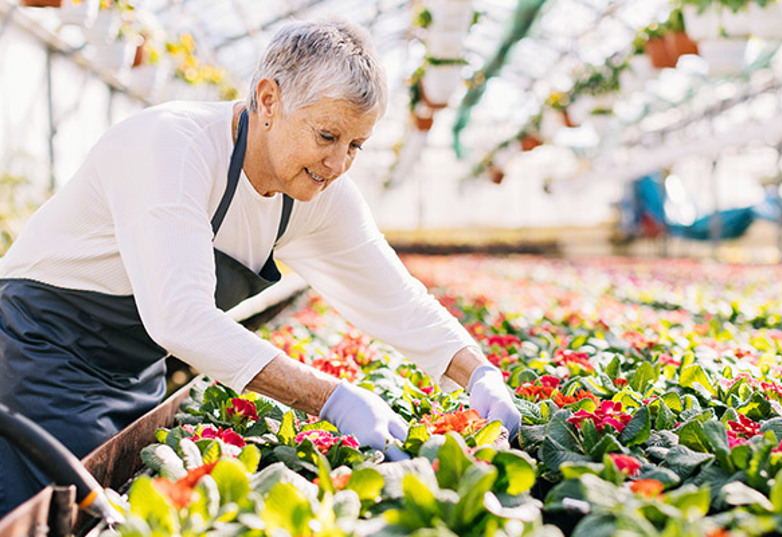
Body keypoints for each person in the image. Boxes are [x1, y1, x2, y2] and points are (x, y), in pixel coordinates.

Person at [0, 18, 520, 516]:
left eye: (356, 145)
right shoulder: (172, 148)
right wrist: (332, 399)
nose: (339, 164)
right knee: (50, 512)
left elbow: (395, 297)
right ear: (269, 99)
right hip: (42, 351)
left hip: (136, 369)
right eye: (327, 136)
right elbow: (179, 316)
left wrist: (479, 374)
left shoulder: (320, 192)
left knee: (114, 505)